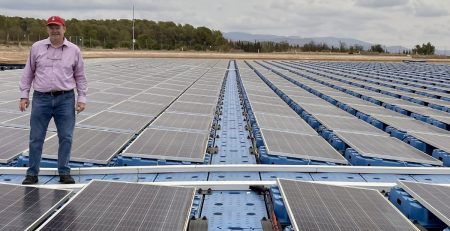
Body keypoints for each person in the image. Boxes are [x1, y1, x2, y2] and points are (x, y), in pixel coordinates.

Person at [19, 16, 87, 184]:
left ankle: (64, 171)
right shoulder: (37, 48)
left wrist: (82, 98)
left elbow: (80, 77)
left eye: (57, 27)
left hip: (65, 99)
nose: (54, 30)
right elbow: (28, 73)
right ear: (47, 29)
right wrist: (24, 95)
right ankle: (32, 173)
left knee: (66, 137)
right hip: (41, 99)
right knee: (36, 138)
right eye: (51, 27)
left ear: (64, 29)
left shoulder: (74, 50)